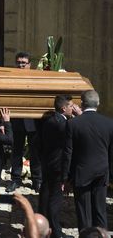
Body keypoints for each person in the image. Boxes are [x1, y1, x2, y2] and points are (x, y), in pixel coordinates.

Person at [63, 90, 113, 231]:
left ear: (82, 104)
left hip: (81, 173)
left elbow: (68, 153)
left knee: (84, 213)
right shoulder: (109, 124)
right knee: (100, 210)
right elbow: (111, 154)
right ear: (98, 104)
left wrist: (66, 178)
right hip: (102, 172)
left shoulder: (73, 124)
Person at [38, 95, 79, 238]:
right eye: (71, 106)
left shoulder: (49, 120)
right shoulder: (62, 124)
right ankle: (56, 233)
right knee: (55, 200)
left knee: (46, 194)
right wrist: (78, 116)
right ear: (64, 108)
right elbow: (76, 134)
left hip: (48, 163)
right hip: (58, 166)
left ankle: (42, 224)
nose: (72, 108)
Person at [6, 52, 42, 193]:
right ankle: (15, 179)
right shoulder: (10, 78)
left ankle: (37, 180)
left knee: (35, 153)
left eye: (24, 63)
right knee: (16, 152)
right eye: (19, 62)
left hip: (33, 121)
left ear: (29, 65)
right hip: (16, 120)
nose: (21, 65)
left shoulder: (36, 78)